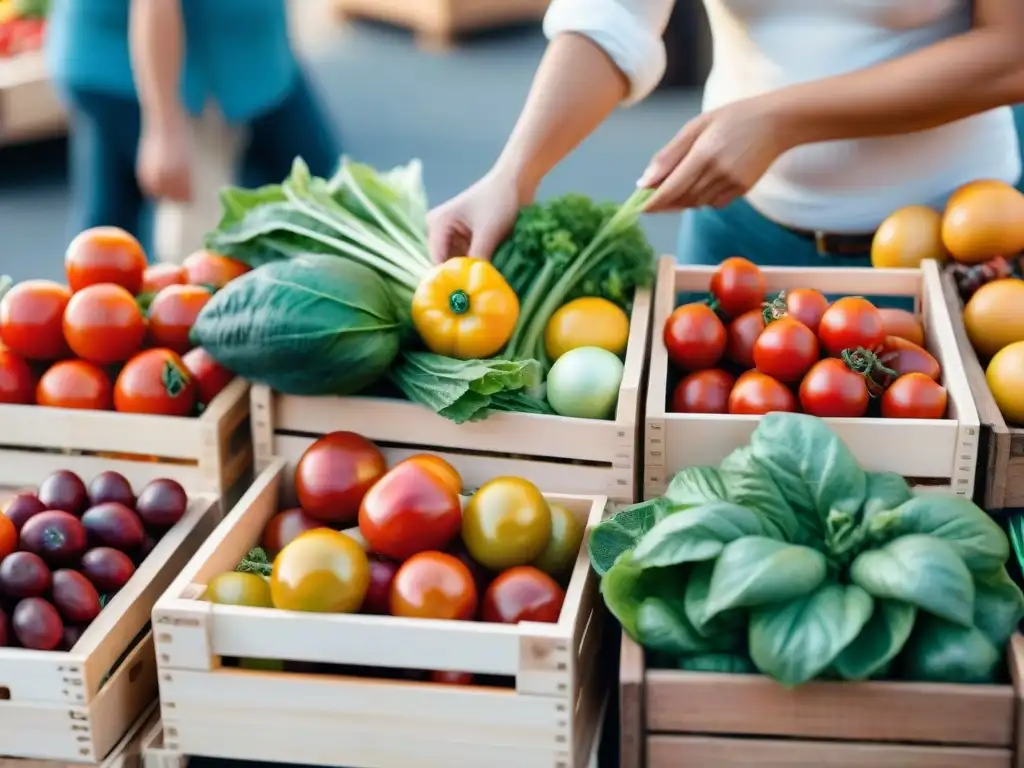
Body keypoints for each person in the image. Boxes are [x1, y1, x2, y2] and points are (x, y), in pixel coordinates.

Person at [428, 1, 1024, 268]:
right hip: (737, 236)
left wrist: (779, 121)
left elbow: (1012, 51)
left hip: (959, 246)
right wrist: (515, 172)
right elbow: (612, 16)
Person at [46, 0, 338, 259]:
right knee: (113, 236)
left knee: (107, 226)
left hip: (253, 62)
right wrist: (164, 128)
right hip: (132, 63)